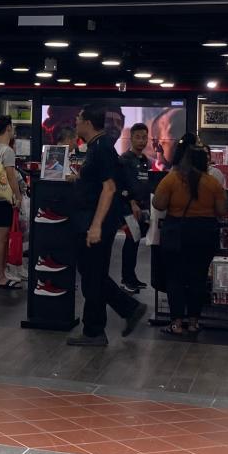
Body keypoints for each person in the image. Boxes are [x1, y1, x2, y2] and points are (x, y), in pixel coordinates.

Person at [66, 105, 147, 346]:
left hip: (95, 222)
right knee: (93, 275)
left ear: (88, 123)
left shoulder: (101, 148)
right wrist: (78, 178)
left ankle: (104, 324)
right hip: (91, 219)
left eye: (78, 118)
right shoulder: (98, 147)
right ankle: (102, 325)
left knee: (93, 275)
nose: (76, 122)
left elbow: (109, 187)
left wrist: (96, 225)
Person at [154, 142, 226, 336]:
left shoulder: (171, 180)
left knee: (174, 278)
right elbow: (221, 210)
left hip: (176, 232)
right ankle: (194, 322)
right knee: (198, 278)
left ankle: (176, 323)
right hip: (204, 233)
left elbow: (158, 204)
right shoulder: (212, 183)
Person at [0, 116, 23, 289]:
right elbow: (10, 175)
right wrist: (18, 196)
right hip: (3, 198)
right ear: (8, 128)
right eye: (12, 127)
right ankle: (1, 276)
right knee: (2, 238)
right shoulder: (7, 151)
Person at [119, 122, 151, 293]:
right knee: (131, 243)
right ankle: (126, 279)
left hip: (143, 207)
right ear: (131, 138)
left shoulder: (145, 160)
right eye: (138, 137)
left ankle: (132, 277)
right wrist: (131, 203)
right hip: (129, 209)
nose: (141, 140)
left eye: (144, 137)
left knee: (136, 242)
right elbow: (121, 185)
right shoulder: (124, 159)